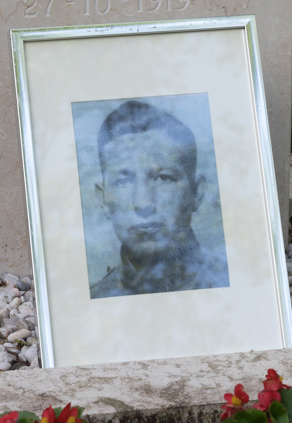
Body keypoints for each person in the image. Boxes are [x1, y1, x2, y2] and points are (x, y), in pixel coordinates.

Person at [89, 99, 229, 298]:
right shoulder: (96, 302)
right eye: (124, 182)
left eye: (163, 178)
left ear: (196, 193)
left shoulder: (233, 283)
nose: (143, 203)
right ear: (103, 200)